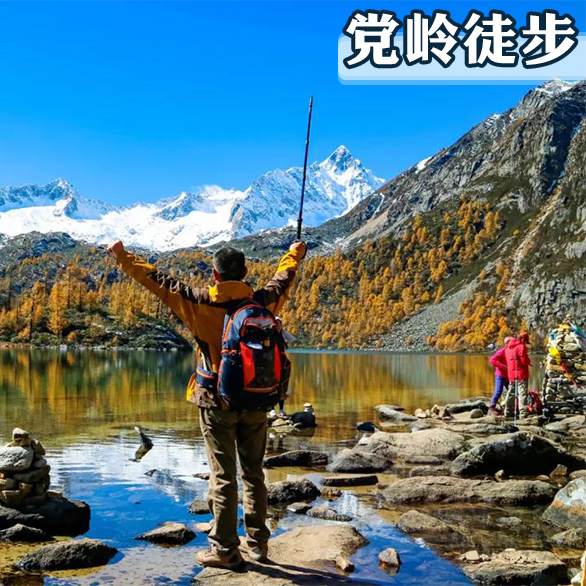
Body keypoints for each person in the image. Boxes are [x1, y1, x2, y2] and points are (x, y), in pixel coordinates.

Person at [107, 240, 307, 570]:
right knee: (254, 473)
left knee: (223, 475)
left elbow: (156, 280)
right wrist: (294, 253)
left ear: (215, 275)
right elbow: (283, 277)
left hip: (216, 402)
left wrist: (122, 257)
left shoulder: (196, 301)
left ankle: (225, 549)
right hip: (257, 401)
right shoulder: (262, 301)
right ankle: (258, 544)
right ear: (245, 272)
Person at [504, 331, 531, 419]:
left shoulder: (507, 347)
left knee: (511, 393)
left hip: (511, 374)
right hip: (521, 374)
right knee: (522, 393)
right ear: (522, 339)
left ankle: (507, 411)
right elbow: (524, 361)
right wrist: (529, 361)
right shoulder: (520, 346)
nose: (525, 343)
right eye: (525, 341)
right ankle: (523, 412)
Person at [488, 337, 511, 415]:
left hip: (508, 376)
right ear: (506, 343)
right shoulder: (502, 351)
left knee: (511, 391)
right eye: (510, 342)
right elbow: (492, 360)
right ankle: (491, 408)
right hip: (500, 375)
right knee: (498, 392)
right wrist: (502, 366)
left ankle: (509, 407)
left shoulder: (511, 352)